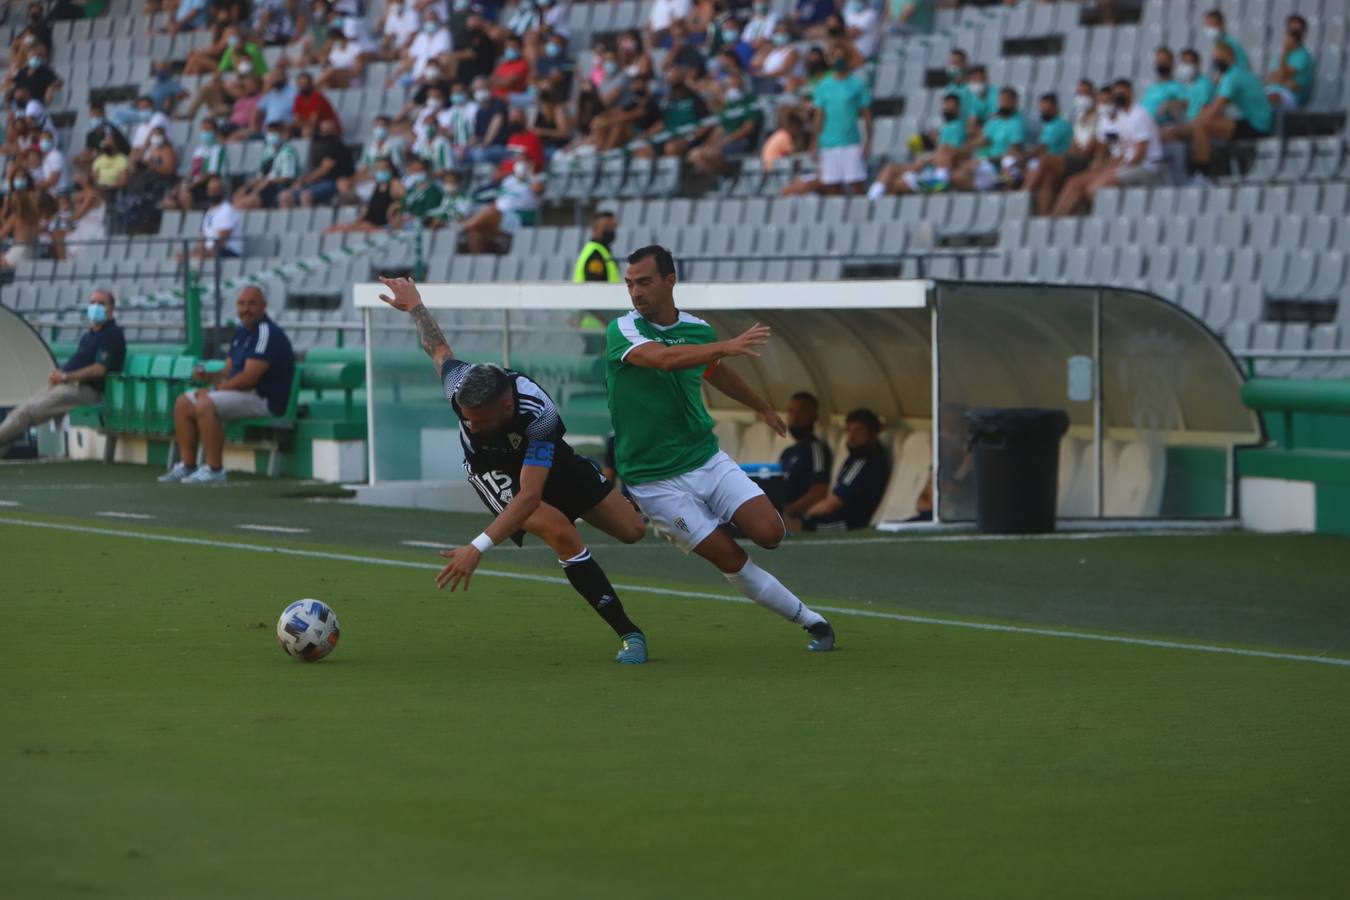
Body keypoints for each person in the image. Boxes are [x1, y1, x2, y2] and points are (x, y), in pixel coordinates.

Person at [374, 276, 652, 663]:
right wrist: (417, 306)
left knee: (633, 530)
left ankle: (582, 488)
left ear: (505, 408)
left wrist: (475, 547)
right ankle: (630, 633)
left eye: (477, 420)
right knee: (561, 532)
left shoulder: (538, 415)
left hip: (543, 460)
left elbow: (531, 493)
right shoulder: (460, 386)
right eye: (465, 418)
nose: (468, 426)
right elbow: (436, 347)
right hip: (492, 469)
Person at [606, 245, 837, 652]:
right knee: (728, 557)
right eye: (629, 284)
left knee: (771, 533)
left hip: (705, 459)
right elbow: (664, 360)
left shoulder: (699, 331)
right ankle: (811, 621)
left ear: (669, 281)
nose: (635, 292)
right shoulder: (622, 330)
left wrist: (762, 407)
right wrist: (722, 347)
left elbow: (715, 371)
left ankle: (705, 515)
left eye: (643, 282)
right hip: (652, 479)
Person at [160, 287, 295, 485]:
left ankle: (215, 470)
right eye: (241, 304)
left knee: (205, 404)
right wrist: (208, 376)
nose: (246, 309)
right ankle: (187, 465)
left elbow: (249, 378)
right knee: (183, 403)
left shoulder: (266, 333)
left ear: (263, 307)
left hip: (264, 399)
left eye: (252, 303)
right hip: (243, 394)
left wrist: (214, 390)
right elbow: (229, 370)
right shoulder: (241, 331)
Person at [0, 290, 124, 456]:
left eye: (101, 304)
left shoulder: (112, 334)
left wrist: (66, 376)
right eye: (93, 302)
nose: (95, 307)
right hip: (69, 386)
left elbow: (99, 369)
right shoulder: (90, 335)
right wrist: (60, 376)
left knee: (26, 414)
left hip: (87, 391)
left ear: (111, 308)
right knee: (21, 411)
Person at [1051, 79, 1163, 215]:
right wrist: (1105, 164)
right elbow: (1114, 149)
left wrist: (1116, 167)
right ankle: (1055, 222)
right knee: (1074, 182)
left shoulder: (1139, 115)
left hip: (1145, 166)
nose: (1119, 96)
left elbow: (1140, 154)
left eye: (1123, 92)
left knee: (1094, 188)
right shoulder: (1119, 117)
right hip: (1124, 164)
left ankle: (1106, 225)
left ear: (1131, 93)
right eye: (1117, 93)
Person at [1187, 41, 1273, 185]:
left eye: (1220, 58)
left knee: (1201, 126)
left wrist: (1196, 121)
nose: (1217, 62)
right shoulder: (1241, 73)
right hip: (1256, 121)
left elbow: (1215, 109)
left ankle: (1202, 174)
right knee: (1198, 124)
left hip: (1256, 125)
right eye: (1215, 59)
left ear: (1230, 57)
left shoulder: (1231, 77)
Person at [800, 409, 890, 531]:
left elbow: (833, 504)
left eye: (858, 430)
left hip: (850, 524)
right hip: (841, 518)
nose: (851, 437)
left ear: (872, 433)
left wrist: (807, 514)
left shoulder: (865, 462)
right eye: (848, 430)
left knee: (807, 525)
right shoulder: (855, 457)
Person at [811, 54, 872, 195]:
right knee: (831, 184)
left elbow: (867, 115)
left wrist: (868, 141)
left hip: (850, 142)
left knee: (856, 183)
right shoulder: (824, 86)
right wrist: (814, 142)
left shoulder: (857, 84)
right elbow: (819, 116)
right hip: (828, 143)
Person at [778, 392, 832, 533]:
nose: (794, 417)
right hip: (777, 515)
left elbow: (819, 492)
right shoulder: (787, 453)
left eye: (801, 411)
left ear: (814, 416)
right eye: (791, 411)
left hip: (799, 520)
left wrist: (788, 511)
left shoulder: (816, 449)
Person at [279, 116, 355, 207]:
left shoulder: (338, 146)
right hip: (315, 183)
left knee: (306, 195)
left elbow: (324, 169)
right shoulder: (317, 145)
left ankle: (307, 219)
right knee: (284, 196)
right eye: (323, 130)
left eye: (328, 131)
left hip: (332, 182)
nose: (325, 134)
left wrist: (303, 181)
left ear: (335, 131)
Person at [233, 122, 301, 209]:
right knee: (238, 195)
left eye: (274, 133)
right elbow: (261, 175)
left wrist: (266, 182)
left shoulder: (288, 151)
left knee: (249, 202)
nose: (271, 136)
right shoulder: (267, 152)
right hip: (265, 185)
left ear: (281, 134)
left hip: (280, 186)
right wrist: (246, 187)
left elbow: (287, 178)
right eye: (269, 133)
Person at [325, 157, 402, 232]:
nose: (381, 171)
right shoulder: (376, 186)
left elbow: (406, 200)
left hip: (380, 226)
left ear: (391, 170)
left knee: (344, 230)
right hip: (368, 222)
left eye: (384, 168)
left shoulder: (394, 184)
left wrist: (395, 208)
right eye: (378, 169)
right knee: (332, 228)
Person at [1266, 15, 1315, 111]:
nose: (1292, 35)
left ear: (1303, 34)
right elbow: (1270, 78)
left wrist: (1285, 52)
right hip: (1273, 91)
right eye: (1290, 30)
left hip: (1292, 97)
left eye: (1296, 32)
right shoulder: (1279, 54)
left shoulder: (1303, 56)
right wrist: (1284, 81)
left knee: (1269, 98)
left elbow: (1288, 79)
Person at [1140, 47, 1188, 128]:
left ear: (1171, 63)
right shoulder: (1151, 87)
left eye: (1164, 60)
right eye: (1159, 60)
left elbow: (1185, 103)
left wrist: (1169, 104)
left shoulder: (1177, 86)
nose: (1161, 63)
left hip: (1159, 127)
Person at [573, 210, 619, 283]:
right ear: (594, 229)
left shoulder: (601, 250)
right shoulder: (595, 254)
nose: (611, 230)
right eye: (606, 227)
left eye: (613, 226)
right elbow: (595, 288)